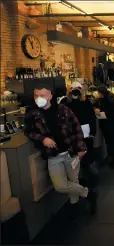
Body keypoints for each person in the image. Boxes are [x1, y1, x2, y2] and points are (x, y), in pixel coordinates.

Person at [24, 84, 92, 219]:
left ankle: (75, 206)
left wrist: (81, 147)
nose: (39, 98)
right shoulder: (31, 113)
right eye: (36, 95)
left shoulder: (63, 109)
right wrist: (42, 138)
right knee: (60, 186)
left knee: (73, 179)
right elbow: (28, 131)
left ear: (50, 96)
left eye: (42, 95)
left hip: (70, 152)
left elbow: (76, 128)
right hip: (53, 156)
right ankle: (87, 193)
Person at [60, 82, 98, 214]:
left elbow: (92, 117)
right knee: (74, 165)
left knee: (89, 162)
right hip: (72, 138)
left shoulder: (85, 102)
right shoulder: (65, 102)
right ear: (69, 90)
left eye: (78, 89)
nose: (76, 91)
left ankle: (92, 185)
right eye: (73, 89)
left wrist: (93, 132)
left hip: (86, 137)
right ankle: (79, 192)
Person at [94, 85, 114, 169]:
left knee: (111, 143)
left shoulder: (108, 100)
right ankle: (112, 157)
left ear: (101, 93)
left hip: (110, 125)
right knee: (110, 142)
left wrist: (99, 112)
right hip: (109, 125)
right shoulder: (106, 98)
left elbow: (109, 114)